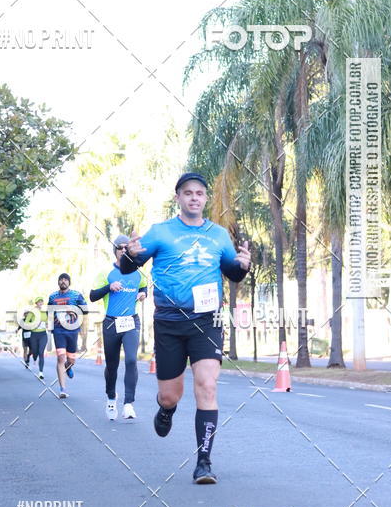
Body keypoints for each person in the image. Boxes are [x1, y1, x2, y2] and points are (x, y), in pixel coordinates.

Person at [120, 172, 250, 484]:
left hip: (206, 321)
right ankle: (165, 411)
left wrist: (243, 266)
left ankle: (203, 462)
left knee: (207, 385)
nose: (194, 198)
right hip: (169, 322)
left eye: (199, 193)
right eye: (188, 193)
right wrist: (129, 255)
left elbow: (232, 272)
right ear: (178, 197)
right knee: (170, 395)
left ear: (205, 199)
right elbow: (129, 267)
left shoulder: (218, 235)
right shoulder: (161, 232)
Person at [90, 235, 148, 420]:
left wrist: (142, 294)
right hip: (111, 323)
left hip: (131, 321)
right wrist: (109, 287)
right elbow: (92, 296)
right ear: (115, 250)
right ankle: (111, 398)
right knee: (112, 365)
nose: (123, 249)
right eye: (119, 247)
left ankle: (128, 403)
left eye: (126, 247)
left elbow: (144, 287)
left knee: (131, 360)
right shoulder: (105, 273)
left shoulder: (139, 272)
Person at [48, 274, 88, 398]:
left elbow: (85, 310)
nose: (63, 281)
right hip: (58, 331)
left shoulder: (76, 295)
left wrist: (75, 311)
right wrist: (50, 327)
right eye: (61, 279)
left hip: (72, 331)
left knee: (71, 360)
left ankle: (68, 366)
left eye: (65, 280)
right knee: (60, 358)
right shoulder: (52, 296)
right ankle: (62, 389)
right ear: (58, 282)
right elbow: (49, 312)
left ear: (69, 282)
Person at [24, 298, 48, 379]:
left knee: (41, 352)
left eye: (42, 301)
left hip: (43, 334)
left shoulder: (44, 312)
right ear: (36, 303)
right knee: (35, 352)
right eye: (39, 301)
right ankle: (33, 357)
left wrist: (48, 324)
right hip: (34, 334)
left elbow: (49, 321)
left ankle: (41, 372)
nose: (40, 303)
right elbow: (26, 322)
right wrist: (33, 324)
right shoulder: (32, 312)